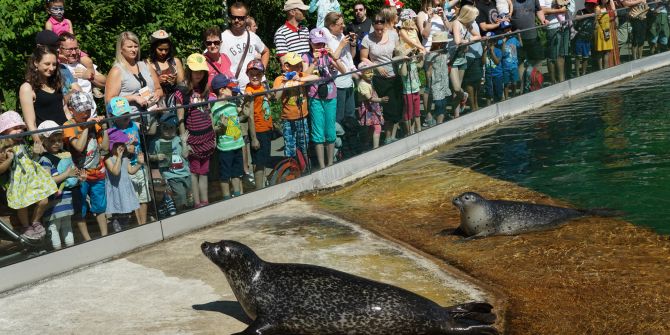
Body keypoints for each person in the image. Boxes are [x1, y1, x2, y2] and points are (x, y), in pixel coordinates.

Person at [0, 111, 57, 240]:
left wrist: (36, 154)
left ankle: (35, 221)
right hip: (17, 180)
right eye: (15, 128)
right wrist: (9, 159)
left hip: (32, 178)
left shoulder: (23, 142)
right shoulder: (4, 148)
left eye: (21, 127)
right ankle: (26, 226)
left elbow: (30, 159)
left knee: (44, 200)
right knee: (23, 205)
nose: (20, 130)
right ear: (4, 131)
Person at [63, 91, 108, 241]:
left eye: (88, 109)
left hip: (98, 172)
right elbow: (79, 147)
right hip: (80, 176)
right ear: (71, 110)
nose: (86, 113)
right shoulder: (68, 126)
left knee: (100, 207)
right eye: (81, 110)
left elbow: (106, 148)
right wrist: (88, 127)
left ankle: (105, 236)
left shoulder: (94, 123)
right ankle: (87, 240)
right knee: (80, 208)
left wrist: (104, 128)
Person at [176, 53, 217, 209]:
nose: (199, 74)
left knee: (204, 171)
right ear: (189, 70)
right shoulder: (182, 91)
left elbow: (209, 112)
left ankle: (205, 201)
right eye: (195, 70)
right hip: (192, 137)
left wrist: (213, 135)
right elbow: (180, 117)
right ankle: (197, 202)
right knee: (194, 171)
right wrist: (184, 142)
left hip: (207, 135)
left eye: (201, 71)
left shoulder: (204, 88)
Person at [107, 97, 151, 226]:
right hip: (127, 169)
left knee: (144, 198)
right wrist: (127, 149)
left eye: (127, 112)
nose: (126, 116)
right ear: (113, 116)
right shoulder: (113, 132)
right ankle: (138, 225)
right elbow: (113, 152)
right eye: (121, 115)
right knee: (134, 199)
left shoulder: (134, 125)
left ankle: (144, 224)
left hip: (139, 166)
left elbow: (148, 129)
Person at [360, 13, 403, 144]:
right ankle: (387, 137)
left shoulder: (393, 35)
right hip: (379, 78)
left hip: (395, 74)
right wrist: (376, 66)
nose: (379, 32)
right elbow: (363, 57)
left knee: (397, 106)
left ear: (385, 26)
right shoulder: (367, 39)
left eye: (381, 29)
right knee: (387, 107)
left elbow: (398, 51)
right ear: (373, 26)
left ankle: (392, 135)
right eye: (376, 29)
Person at [105, 31, 163, 125]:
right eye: (129, 47)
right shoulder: (117, 70)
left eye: (136, 46)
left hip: (153, 118)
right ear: (120, 49)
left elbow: (159, 89)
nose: (134, 50)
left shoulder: (145, 65)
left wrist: (157, 95)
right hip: (130, 122)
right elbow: (110, 100)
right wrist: (134, 98)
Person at [306, 28, 345, 169]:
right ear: (310, 43)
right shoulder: (306, 57)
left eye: (322, 44)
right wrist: (315, 62)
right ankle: (322, 166)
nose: (320, 47)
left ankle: (331, 163)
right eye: (317, 44)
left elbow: (344, 70)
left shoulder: (328, 56)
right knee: (317, 132)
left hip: (331, 95)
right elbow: (304, 76)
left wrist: (333, 56)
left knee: (330, 131)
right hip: (315, 97)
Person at [37, 120, 78, 249]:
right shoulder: (45, 159)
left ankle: (70, 251)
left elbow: (72, 174)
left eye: (59, 140)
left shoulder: (64, 155)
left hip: (66, 199)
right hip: (54, 202)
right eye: (52, 140)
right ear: (44, 140)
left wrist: (78, 176)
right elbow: (48, 181)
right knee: (54, 226)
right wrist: (67, 174)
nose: (56, 143)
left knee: (67, 225)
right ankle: (57, 252)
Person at [272, 52, 318, 159]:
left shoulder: (301, 75)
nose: (298, 67)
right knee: (290, 145)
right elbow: (276, 97)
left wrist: (300, 79)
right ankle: (292, 167)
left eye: (299, 65)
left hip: (302, 117)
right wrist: (284, 83)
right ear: (286, 66)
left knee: (304, 143)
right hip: (288, 118)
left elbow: (315, 77)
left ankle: (305, 165)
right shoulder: (279, 79)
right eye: (295, 65)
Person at [210, 74, 245, 199]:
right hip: (225, 147)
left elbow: (236, 120)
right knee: (225, 175)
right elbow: (213, 128)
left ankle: (237, 196)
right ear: (221, 90)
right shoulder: (215, 109)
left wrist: (244, 114)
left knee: (237, 173)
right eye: (229, 87)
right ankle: (226, 198)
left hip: (237, 144)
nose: (232, 90)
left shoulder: (232, 105)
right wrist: (220, 126)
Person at [222, 2, 270, 90]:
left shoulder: (252, 36)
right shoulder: (222, 38)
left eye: (240, 18)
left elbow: (266, 51)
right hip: (236, 91)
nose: (236, 20)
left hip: (257, 87)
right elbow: (208, 59)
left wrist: (261, 70)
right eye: (233, 17)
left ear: (246, 18)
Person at [150, 113, 191, 210]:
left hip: (185, 173)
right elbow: (149, 157)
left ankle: (188, 212)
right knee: (180, 196)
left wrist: (184, 143)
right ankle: (181, 214)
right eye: (165, 127)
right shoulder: (157, 142)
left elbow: (185, 155)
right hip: (172, 176)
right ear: (161, 128)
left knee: (190, 197)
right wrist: (156, 157)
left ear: (175, 128)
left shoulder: (179, 139)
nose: (168, 130)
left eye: (171, 127)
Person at [58, 33, 106, 116]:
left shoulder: (84, 64)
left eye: (76, 48)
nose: (73, 52)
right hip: (70, 120)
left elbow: (105, 83)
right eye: (69, 49)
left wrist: (91, 77)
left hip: (92, 117)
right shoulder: (55, 67)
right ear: (60, 49)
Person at [104, 128, 142, 233]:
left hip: (126, 188)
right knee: (117, 210)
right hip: (116, 189)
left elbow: (131, 171)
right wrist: (119, 157)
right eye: (118, 145)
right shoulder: (108, 159)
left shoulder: (125, 158)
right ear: (112, 146)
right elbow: (115, 172)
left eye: (122, 144)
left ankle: (124, 229)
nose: (121, 147)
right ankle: (116, 227)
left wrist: (139, 163)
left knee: (126, 212)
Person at [244, 60, 273, 189]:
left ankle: (263, 184)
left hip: (267, 128)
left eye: (258, 74)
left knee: (264, 159)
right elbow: (250, 116)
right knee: (258, 162)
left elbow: (272, 98)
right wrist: (254, 138)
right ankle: (259, 188)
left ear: (262, 75)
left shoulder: (264, 86)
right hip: (258, 130)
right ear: (248, 75)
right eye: (252, 74)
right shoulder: (249, 90)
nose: (255, 76)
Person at [323, 12, 357, 123]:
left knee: (350, 113)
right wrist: (341, 45)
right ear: (331, 26)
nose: (343, 26)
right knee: (340, 115)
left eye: (343, 23)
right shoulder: (327, 39)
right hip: (338, 82)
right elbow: (334, 58)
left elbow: (350, 56)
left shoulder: (341, 36)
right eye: (340, 24)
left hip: (348, 78)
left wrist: (353, 44)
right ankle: (339, 138)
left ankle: (350, 136)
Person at [448, 5, 482, 118]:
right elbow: (457, 41)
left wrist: (467, 40)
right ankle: (464, 95)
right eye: (474, 17)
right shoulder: (457, 23)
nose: (474, 20)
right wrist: (467, 41)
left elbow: (478, 36)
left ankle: (456, 115)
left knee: (455, 91)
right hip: (452, 59)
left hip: (462, 58)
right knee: (457, 88)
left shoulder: (468, 24)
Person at [146, 30, 185, 108]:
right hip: (157, 104)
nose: (163, 52)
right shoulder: (147, 63)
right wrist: (158, 81)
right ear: (154, 48)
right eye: (160, 49)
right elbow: (144, 88)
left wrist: (175, 80)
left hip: (176, 102)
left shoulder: (175, 61)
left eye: (166, 49)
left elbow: (183, 85)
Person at [510, 0, 548, 78]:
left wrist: (543, 20)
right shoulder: (510, 1)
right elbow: (506, 16)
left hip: (532, 36)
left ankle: (534, 83)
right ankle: (522, 87)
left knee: (538, 59)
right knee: (520, 62)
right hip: (516, 38)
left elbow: (538, 10)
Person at [540, 0, 572, 83]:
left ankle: (562, 80)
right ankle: (553, 82)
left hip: (564, 25)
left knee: (562, 55)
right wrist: (559, 10)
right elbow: (541, 10)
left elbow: (568, 4)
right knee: (552, 56)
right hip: (552, 27)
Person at [356, 60, 386, 149]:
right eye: (368, 73)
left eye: (371, 72)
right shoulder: (362, 84)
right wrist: (381, 100)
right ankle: (375, 148)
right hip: (368, 108)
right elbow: (369, 98)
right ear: (362, 73)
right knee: (377, 127)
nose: (371, 74)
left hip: (373, 107)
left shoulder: (369, 81)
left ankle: (366, 144)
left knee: (371, 128)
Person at [424, 31, 451, 124]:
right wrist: (428, 83)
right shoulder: (431, 55)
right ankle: (437, 121)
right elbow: (429, 70)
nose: (446, 44)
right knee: (439, 103)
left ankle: (440, 122)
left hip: (444, 80)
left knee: (443, 103)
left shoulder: (445, 53)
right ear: (439, 44)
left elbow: (447, 63)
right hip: (435, 82)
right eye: (444, 43)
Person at [574, 0, 597, 77]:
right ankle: (577, 73)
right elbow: (577, 18)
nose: (591, 6)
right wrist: (590, 15)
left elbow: (595, 24)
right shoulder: (581, 11)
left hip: (588, 38)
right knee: (578, 56)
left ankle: (583, 73)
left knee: (586, 56)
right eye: (589, 4)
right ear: (586, 4)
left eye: (593, 5)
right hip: (579, 37)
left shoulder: (595, 13)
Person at [501, 26, 522, 98]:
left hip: (514, 65)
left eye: (510, 30)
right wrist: (504, 42)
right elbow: (503, 54)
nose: (509, 31)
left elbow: (520, 45)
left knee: (515, 83)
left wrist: (519, 35)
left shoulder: (513, 39)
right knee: (506, 83)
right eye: (507, 30)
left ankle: (514, 95)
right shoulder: (501, 41)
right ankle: (506, 97)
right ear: (503, 32)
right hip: (505, 67)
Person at [483, 36, 504, 104]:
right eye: (488, 42)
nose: (489, 43)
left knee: (498, 92)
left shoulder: (498, 51)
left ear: (494, 42)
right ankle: (488, 107)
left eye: (491, 42)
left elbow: (497, 62)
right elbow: (483, 62)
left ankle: (499, 105)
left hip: (497, 75)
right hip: (488, 75)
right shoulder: (485, 51)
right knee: (488, 93)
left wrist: (492, 52)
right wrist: (485, 51)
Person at [594, 0, 615, 68]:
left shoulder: (607, 7)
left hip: (607, 30)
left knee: (607, 50)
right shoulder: (597, 8)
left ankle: (605, 67)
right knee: (600, 51)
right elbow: (596, 22)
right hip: (600, 31)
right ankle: (600, 68)